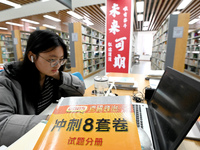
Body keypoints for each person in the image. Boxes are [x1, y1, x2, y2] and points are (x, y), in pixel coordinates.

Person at [0, 30, 85, 146]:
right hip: (27, 141)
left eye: (61, 59)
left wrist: (58, 75)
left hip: (49, 138)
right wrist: (49, 120)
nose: (58, 65)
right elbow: (2, 125)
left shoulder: (50, 76)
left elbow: (80, 90)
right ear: (32, 56)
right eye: (51, 59)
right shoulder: (7, 81)